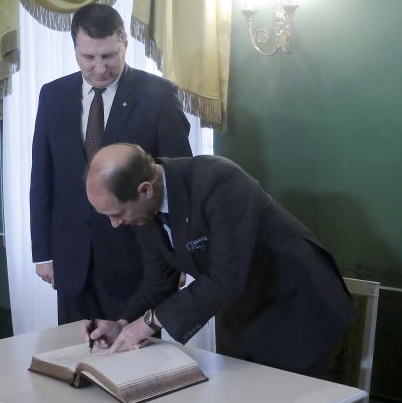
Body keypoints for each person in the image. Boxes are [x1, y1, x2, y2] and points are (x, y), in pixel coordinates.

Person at [83, 143, 352, 378]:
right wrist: (123, 325)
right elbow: (158, 281)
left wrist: (150, 322)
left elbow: (227, 276)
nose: (115, 223)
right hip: (245, 313)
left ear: (145, 189)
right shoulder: (143, 209)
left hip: (298, 308)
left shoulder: (219, 180)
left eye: (117, 214)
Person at [30, 3, 192, 325]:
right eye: (88, 57)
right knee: (76, 348)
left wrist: (180, 255)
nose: (100, 68)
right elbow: (42, 177)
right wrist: (44, 253)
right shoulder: (53, 95)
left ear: (124, 43)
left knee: (133, 351)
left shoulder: (158, 96)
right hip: (71, 258)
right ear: (75, 49)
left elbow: (179, 181)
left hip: (138, 262)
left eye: (108, 56)